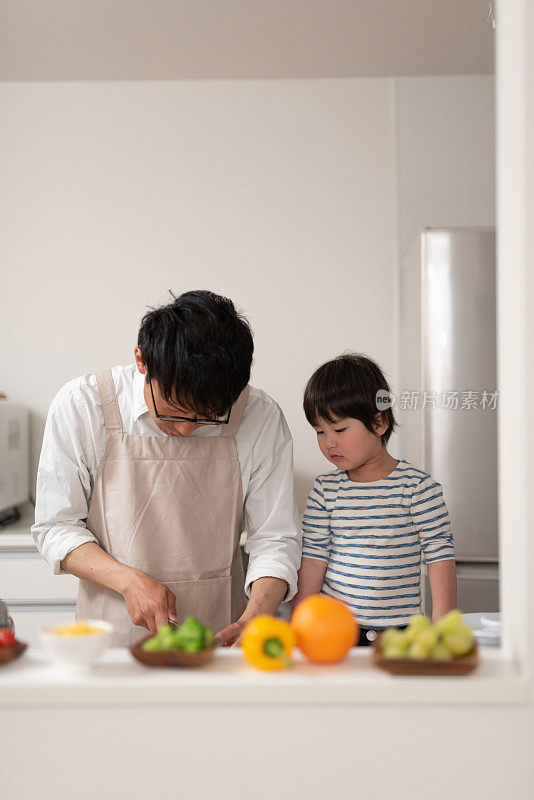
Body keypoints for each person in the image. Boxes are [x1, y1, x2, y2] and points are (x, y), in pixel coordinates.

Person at [32, 290, 301, 647]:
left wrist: (257, 616)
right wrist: (128, 581)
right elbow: (55, 526)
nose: (187, 430)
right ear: (142, 362)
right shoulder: (83, 405)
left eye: (208, 417)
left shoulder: (260, 415)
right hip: (110, 639)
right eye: (173, 411)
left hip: (221, 637)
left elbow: (275, 537)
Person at [292, 353, 457, 647]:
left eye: (340, 429)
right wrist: (298, 626)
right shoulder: (325, 491)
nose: (329, 442)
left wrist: (442, 629)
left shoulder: (418, 488)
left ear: (379, 423)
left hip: (401, 635)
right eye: (320, 431)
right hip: (333, 631)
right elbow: (314, 559)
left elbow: (439, 556)